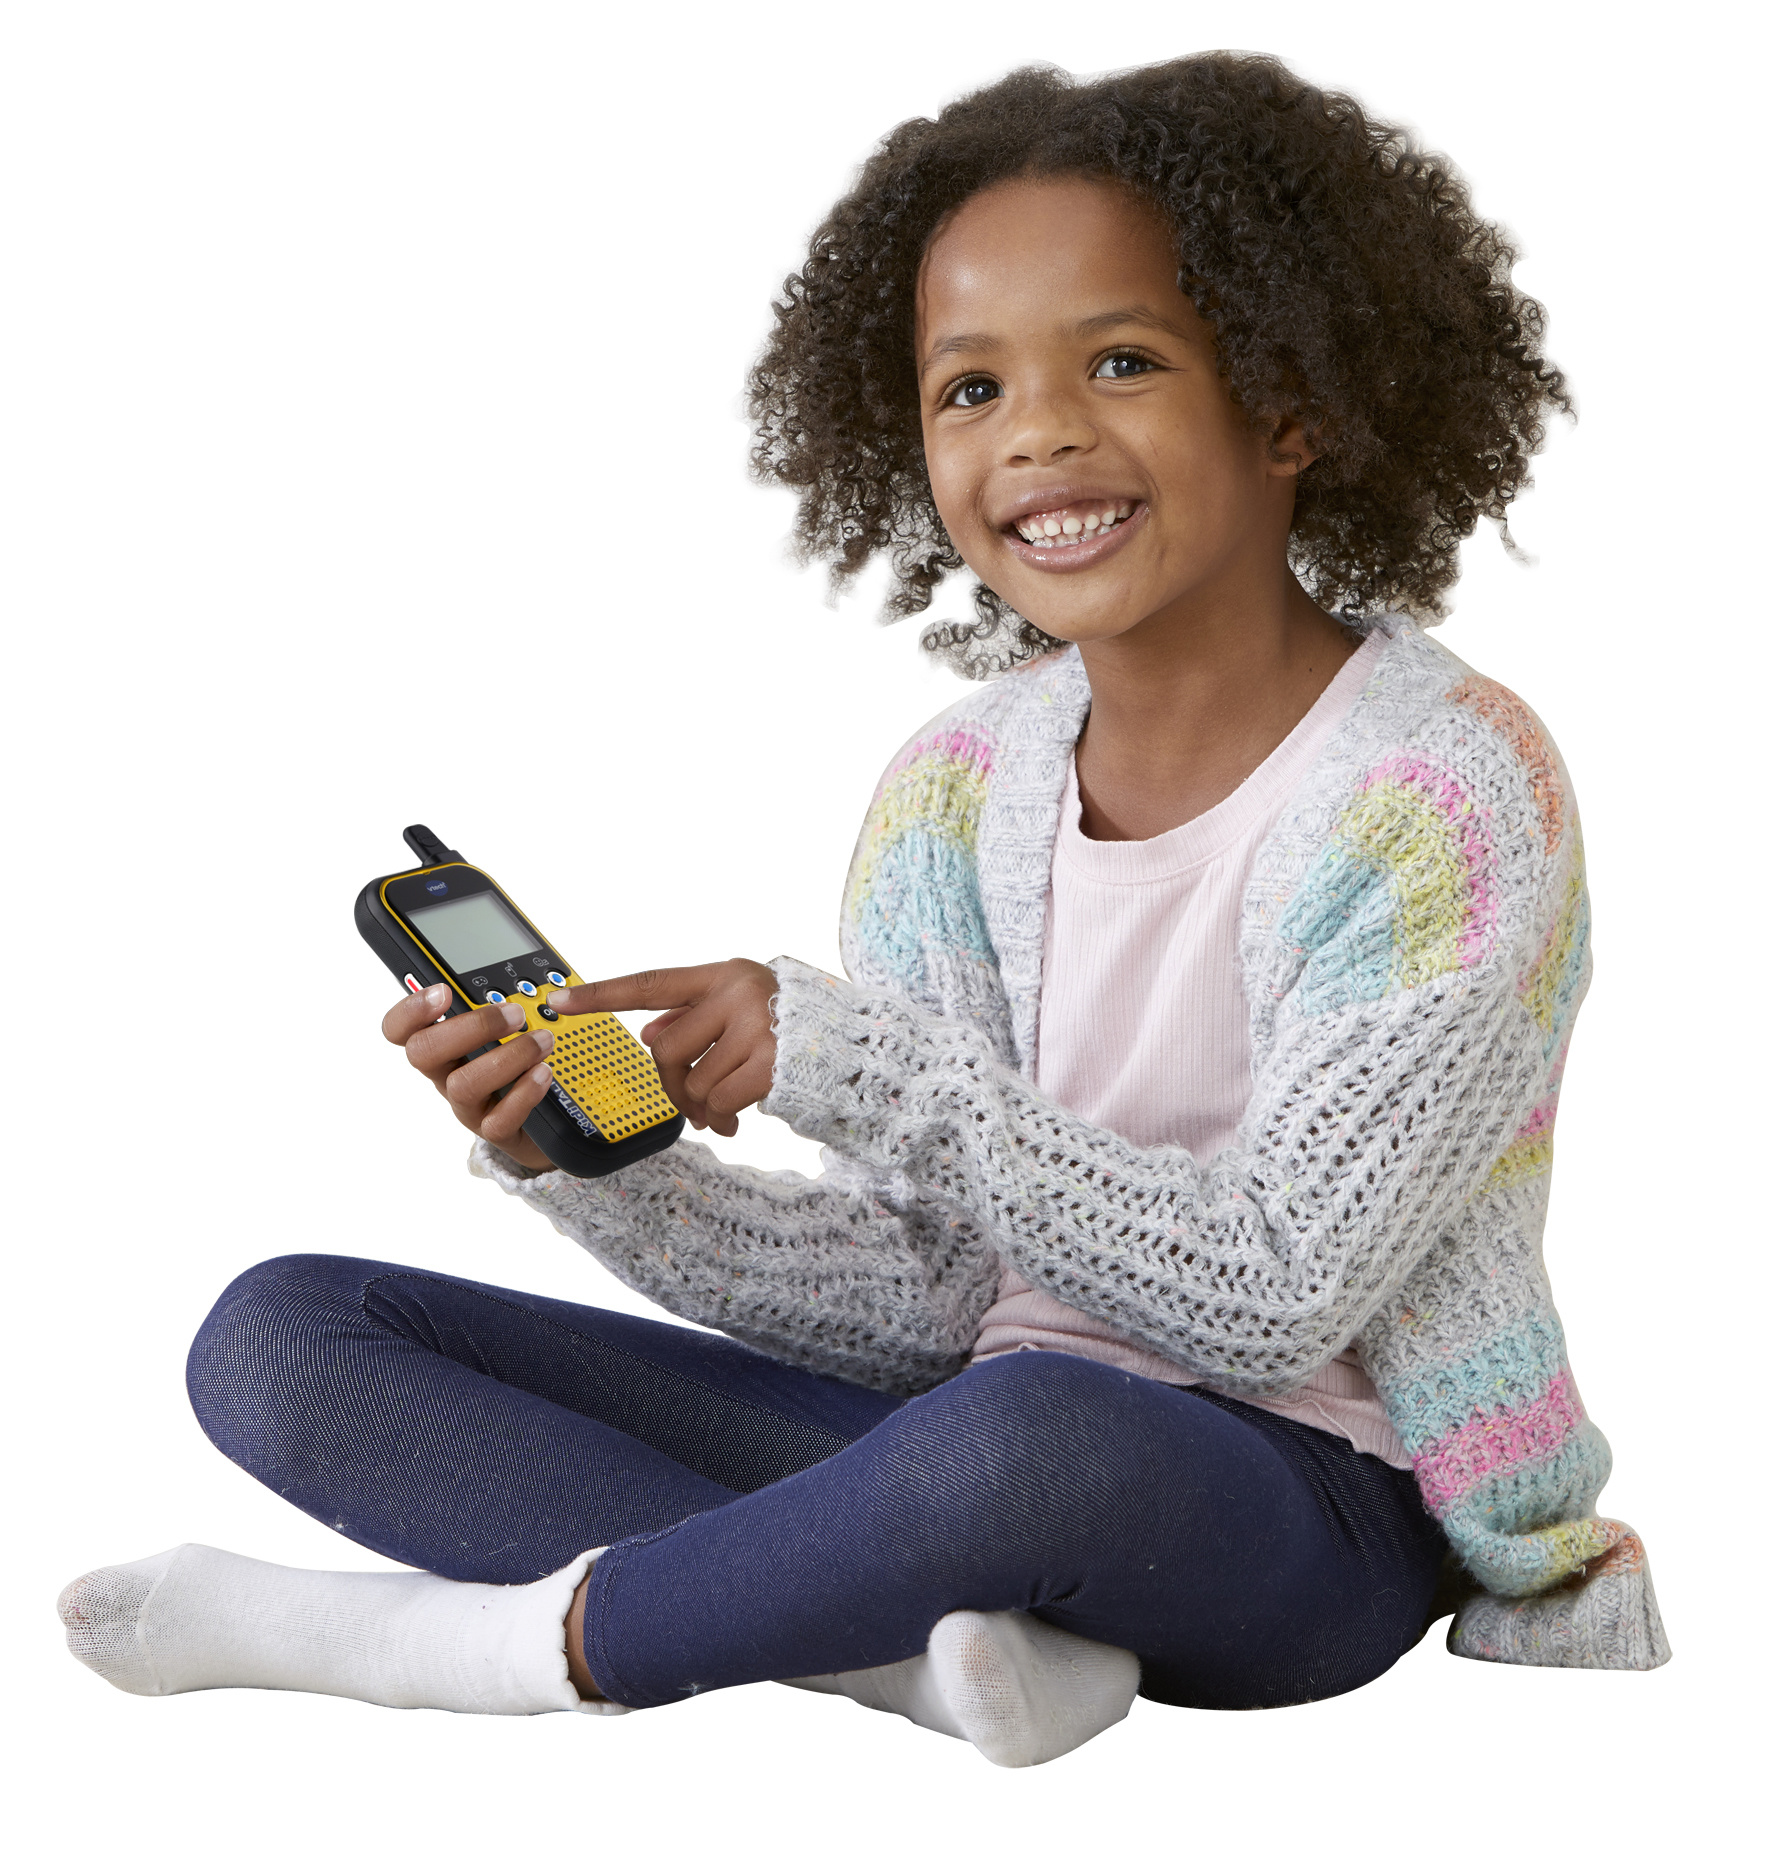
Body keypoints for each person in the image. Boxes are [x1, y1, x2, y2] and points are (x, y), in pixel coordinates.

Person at [58, 52, 1669, 1768]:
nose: (1036, 431)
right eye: (971, 386)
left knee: (1028, 1434)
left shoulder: (1447, 789)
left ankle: (478, 1649)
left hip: (1301, 1503)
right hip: (956, 1448)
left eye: (1122, 361)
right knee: (289, 1337)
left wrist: (851, 1063)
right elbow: (925, 1304)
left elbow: (1277, 1294)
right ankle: (925, 1660)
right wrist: (597, 1172)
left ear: (1292, 404)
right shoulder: (952, 795)